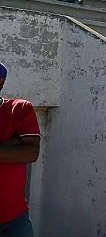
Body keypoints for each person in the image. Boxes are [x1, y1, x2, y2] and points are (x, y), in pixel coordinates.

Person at [0, 62, 42, 236]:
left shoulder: (19, 109)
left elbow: (31, 152)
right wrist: (12, 144)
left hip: (15, 222)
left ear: (1, 82)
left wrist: (22, 148)